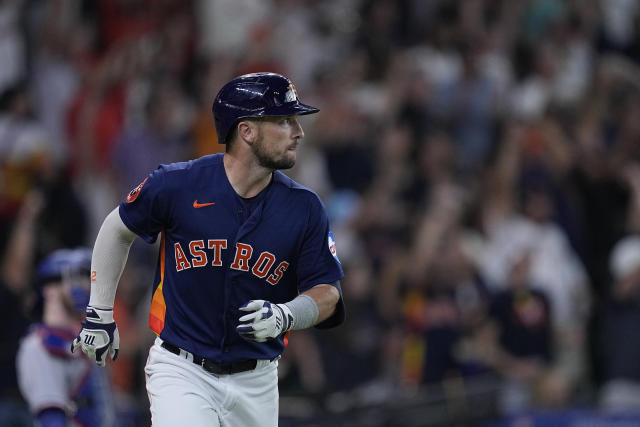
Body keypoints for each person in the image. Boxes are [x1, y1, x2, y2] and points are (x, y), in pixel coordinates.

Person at [71, 72, 345, 426]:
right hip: (182, 368)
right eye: (283, 120)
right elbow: (116, 228)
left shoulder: (304, 206)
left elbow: (328, 293)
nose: (298, 131)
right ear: (246, 131)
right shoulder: (178, 184)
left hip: (257, 379)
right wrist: (99, 310)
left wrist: (286, 314)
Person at [16, 248, 117, 427]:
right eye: (76, 279)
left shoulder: (85, 339)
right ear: (49, 290)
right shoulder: (39, 344)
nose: (86, 286)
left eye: (87, 279)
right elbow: (51, 418)